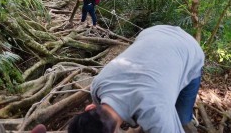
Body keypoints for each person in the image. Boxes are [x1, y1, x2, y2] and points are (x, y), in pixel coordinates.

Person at [68, 25, 205, 133]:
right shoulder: (97, 85)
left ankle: (184, 118)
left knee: (181, 116)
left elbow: (157, 114)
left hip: (189, 49)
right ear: (89, 108)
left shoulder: (156, 113)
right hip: (154, 32)